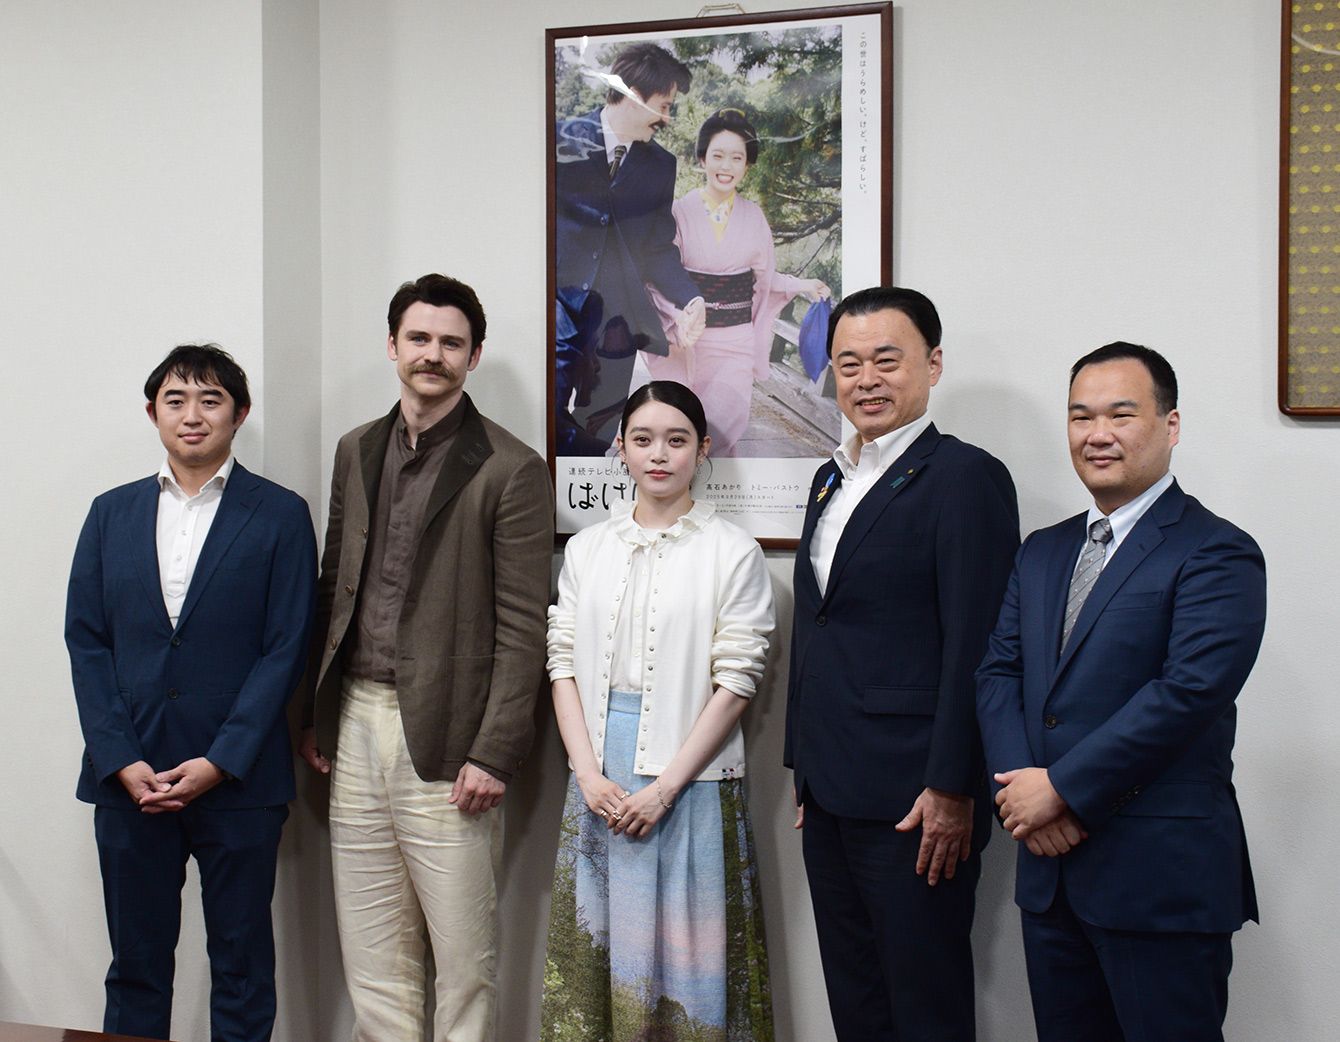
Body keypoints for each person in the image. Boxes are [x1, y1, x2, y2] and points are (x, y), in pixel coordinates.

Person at [976, 343, 1266, 1042]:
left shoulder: (1216, 551)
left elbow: (1187, 693)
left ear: (1170, 425)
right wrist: (1024, 797)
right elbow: (998, 673)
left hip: (1158, 878)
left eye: (1120, 414)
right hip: (1051, 876)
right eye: (1081, 417)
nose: (1097, 434)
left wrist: (1063, 790)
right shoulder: (1042, 550)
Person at [300, 274, 554, 1041]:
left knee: (464, 964)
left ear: (473, 356)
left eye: (450, 343)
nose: (432, 355)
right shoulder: (355, 449)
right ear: (393, 345)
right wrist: (315, 714)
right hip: (355, 722)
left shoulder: (511, 467)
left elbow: (524, 627)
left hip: (451, 737)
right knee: (374, 959)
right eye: (419, 338)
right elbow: (333, 585)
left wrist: (495, 751)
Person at [785, 287, 1019, 1042]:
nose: (866, 380)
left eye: (886, 360)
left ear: (933, 364)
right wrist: (802, 766)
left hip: (917, 795)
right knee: (856, 1001)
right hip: (829, 789)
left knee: (924, 1006)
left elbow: (977, 643)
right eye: (848, 363)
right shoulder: (829, 477)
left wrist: (954, 786)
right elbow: (819, 627)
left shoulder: (965, 477)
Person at [65, 344, 317, 1042]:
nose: (193, 415)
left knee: (242, 966)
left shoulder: (280, 514)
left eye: (211, 399)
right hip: (131, 780)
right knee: (135, 969)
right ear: (153, 413)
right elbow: (87, 642)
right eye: (175, 400)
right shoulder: (110, 513)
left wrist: (221, 759)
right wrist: (119, 757)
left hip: (239, 781)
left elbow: (286, 647)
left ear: (240, 413)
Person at [541, 380, 776, 1041]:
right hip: (599, 776)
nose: (659, 454)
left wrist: (666, 787)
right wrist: (587, 774)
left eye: (677, 440)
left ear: (703, 449)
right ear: (621, 448)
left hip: (691, 780)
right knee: (598, 950)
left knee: (690, 962)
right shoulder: (587, 548)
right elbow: (561, 662)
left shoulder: (733, 550)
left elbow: (737, 681)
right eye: (643, 439)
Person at [648, 108, 830, 455]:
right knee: (680, 428)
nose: (726, 166)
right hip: (689, 339)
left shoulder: (754, 217)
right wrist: (677, 318)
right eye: (718, 155)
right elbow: (660, 275)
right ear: (702, 159)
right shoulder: (679, 211)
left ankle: (717, 485)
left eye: (737, 158)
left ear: (747, 165)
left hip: (735, 341)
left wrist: (801, 285)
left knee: (722, 427)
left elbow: (764, 280)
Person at [555, 42, 707, 454]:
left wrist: (690, 298)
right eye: (664, 105)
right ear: (634, 95)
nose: (667, 118)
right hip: (557, 308)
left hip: (617, 321)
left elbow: (657, 247)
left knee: (600, 427)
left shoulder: (660, 165)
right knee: (550, 406)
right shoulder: (559, 139)